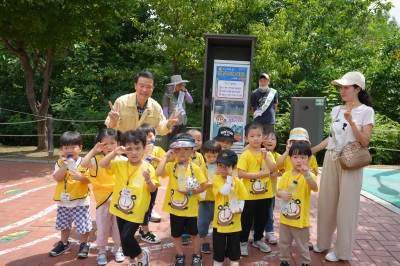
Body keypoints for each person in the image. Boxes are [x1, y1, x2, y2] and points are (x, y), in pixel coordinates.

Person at [311, 72, 374, 262]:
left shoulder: (366, 111)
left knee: (346, 207)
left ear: (358, 89)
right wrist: (311, 151)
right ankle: (322, 243)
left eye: (346, 87)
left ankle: (342, 251)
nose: (342, 90)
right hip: (331, 159)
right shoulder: (336, 110)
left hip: (350, 163)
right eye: (341, 87)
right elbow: (332, 138)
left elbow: (364, 141)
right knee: (326, 203)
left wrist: (352, 121)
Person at [99, 130, 160, 266]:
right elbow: (102, 164)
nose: (134, 152)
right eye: (129, 149)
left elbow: (153, 189)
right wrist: (115, 152)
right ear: (124, 149)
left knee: (127, 237)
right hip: (119, 208)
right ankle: (132, 261)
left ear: (144, 149)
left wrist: (149, 180)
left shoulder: (148, 167)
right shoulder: (120, 163)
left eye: (137, 148)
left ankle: (141, 255)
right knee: (123, 238)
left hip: (137, 210)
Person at [156, 133, 207, 266]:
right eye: (178, 149)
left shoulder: (195, 168)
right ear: (173, 150)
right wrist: (166, 157)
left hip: (190, 209)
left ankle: (197, 255)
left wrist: (190, 191)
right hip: (175, 209)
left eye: (186, 149)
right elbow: (158, 172)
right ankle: (180, 255)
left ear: (192, 150)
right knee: (176, 234)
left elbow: (203, 187)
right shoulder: (172, 165)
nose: (182, 152)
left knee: (194, 233)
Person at [80, 129, 125, 265]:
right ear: (99, 145)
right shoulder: (96, 160)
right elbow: (83, 164)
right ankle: (102, 251)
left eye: (112, 143)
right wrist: (94, 150)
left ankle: (117, 249)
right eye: (105, 144)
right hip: (102, 201)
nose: (109, 146)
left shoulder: (122, 159)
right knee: (103, 226)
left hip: (120, 201)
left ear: (118, 143)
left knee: (118, 227)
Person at [49, 131, 92, 259]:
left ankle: (84, 244)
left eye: (73, 147)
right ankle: (64, 243)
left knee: (83, 225)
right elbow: (57, 178)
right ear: (61, 149)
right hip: (63, 201)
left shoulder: (85, 162)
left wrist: (80, 177)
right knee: (64, 225)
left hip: (80, 201)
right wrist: (64, 166)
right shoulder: (59, 163)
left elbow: (90, 180)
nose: (69, 150)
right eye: (66, 147)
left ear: (80, 148)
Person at [237, 121, 277, 256]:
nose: (256, 138)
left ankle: (258, 239)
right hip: (248, 195)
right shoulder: (246, 154)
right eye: (252, 136)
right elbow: (240, 173)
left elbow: (273, 169)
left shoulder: (268, 153)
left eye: (259, 135)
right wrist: (257, 175)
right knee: (246, 219)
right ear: (246, 139)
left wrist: (266, 158)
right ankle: (242, 241)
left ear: (263, 137)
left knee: (262, 218)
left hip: (265, 194)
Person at [276, 127, 319, 250]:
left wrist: (308, 173)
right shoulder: (289, 156)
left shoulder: (310, 158)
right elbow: (278, 165)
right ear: (289, 143)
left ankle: (307, 239)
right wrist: (287, 152)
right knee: (288, 217)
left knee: (302, 218)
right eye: (294, 142)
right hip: (289, 185)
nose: (299, 160)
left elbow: (315, 176)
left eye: (302, 142)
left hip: (302, 188)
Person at [105, 71, 182, 135]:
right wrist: (113, 122)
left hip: (145, 150)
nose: (144, 90)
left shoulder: (155, 107)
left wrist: (169, 124)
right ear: (135, 86)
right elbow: (110, 129)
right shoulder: (121, 102)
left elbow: (161, 129)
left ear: (153, 88)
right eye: (141, 86)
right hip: (123, 149)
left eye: (149, 87)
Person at [246, 129, 282, 245]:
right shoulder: (256, 153)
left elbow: (282, 169)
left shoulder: (277, 156)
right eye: (267, 138)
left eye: (273, 139)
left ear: (277, 142)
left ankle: (269, 231)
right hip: (255, 190)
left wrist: (276, 173)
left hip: (270, 191)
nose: (269, 141)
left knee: (268, 213)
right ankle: (253, 231)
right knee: (254, 213)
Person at [212, 150, 248, 266]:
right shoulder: (217, 179)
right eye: (220, 165)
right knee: (218, 243)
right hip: (220, 221)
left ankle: (234, 261)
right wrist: (229, 178)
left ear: (234, 167)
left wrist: (240, 208)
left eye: (227, 166)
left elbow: (242, 198)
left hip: (234, 220)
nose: (223, 169)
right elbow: (224, 191)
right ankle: (218, 261)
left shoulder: (239, 183)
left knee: (234, 243)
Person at [136, 123, 165, 244]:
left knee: (149, 206)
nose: (148, 139)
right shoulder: (139, 149)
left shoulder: (158, 150)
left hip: (153, 184)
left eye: (150, 136)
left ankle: (143, 229)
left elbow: (165, 162)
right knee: (143, 208)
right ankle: (145, 231)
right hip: (140, 185)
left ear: (155, 135)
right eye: (144, 136)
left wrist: (154, 158)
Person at [198, 140, 222, 254]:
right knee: (203, 222)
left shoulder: (221, 167)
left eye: (215, 156)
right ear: (204, 154)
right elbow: (199, 183)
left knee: (219, 222)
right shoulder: (201, 167)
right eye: (209, 156)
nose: (212, 159)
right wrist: (205, 185)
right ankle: (204, 241)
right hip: (205, 199)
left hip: (218, 198)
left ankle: (218, 243)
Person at [162, 75, 194, 148]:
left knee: (182, 140)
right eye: (179, 84)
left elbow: (190, 101)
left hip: (182, 121)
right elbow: (165, 109)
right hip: (173, 122)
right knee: (171, 140)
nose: (180, 86)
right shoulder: (167, 95)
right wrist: (167, 123)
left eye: (181, 84)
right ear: (174, 85)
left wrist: (185, 90)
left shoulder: (182, 93)